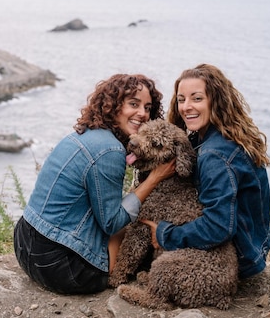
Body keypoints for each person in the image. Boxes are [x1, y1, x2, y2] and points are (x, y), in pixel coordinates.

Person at [14, 74, 176, 294]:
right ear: (113, 105)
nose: (143, 114)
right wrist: (155, 177)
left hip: (25, 243)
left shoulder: (83, 134)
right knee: (132, 227)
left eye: (147, 107)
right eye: (133, 104)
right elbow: (112, 223)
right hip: (60, 266)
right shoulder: (110, 149)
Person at [141, 63, 270, 280]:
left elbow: (219, 226)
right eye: (181, 100)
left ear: (216, 100)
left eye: (197, 98)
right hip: (255, 247)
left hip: (236, 258)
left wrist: (166, 234)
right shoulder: (217, 136)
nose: (186, 107)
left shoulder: (215, 155)